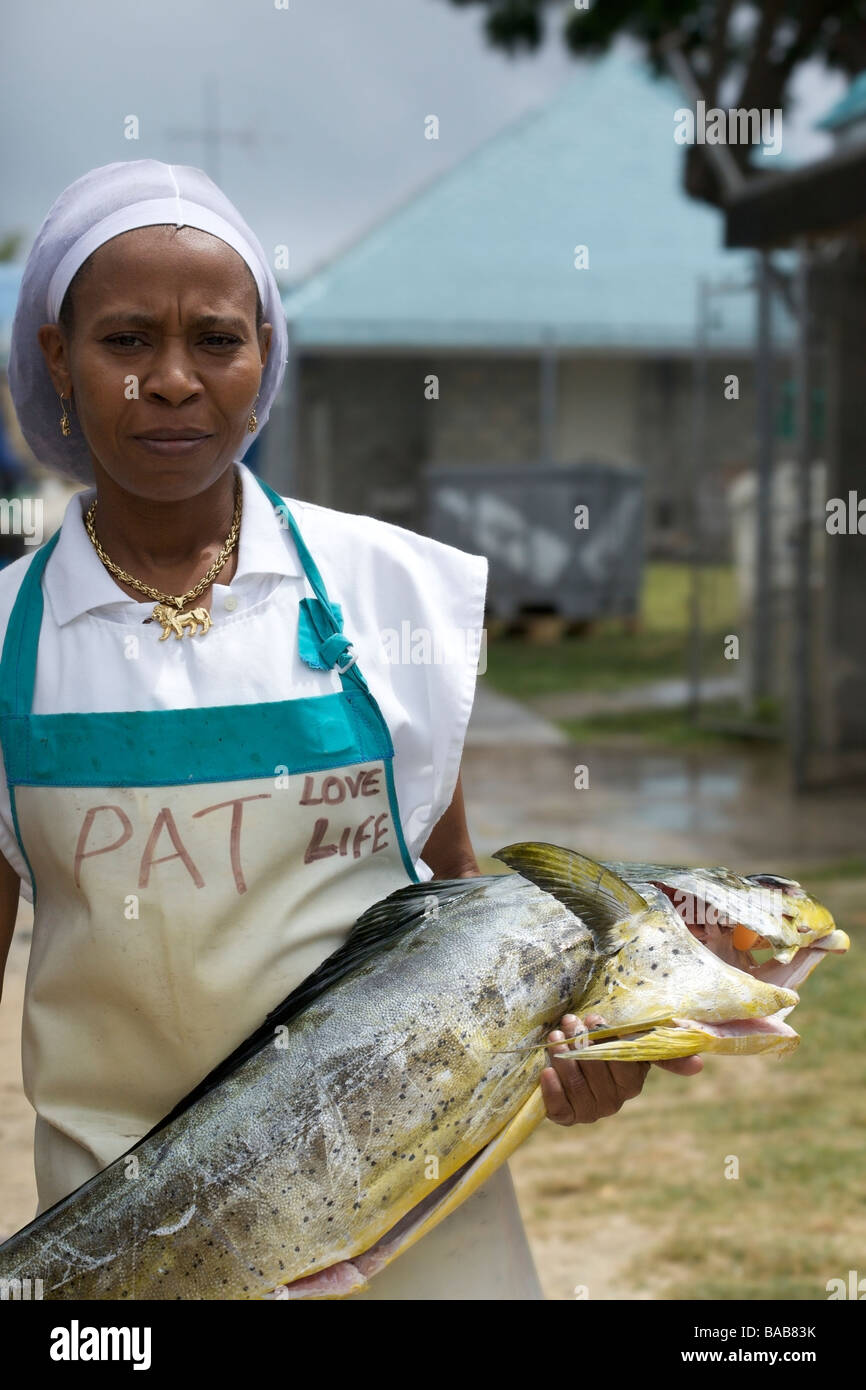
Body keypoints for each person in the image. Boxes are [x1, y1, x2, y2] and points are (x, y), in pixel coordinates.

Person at [0, 159, 700, 1300]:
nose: (173, 379)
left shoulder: (392, 595)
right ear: (56, 362)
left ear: (262, 358)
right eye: (126, 341)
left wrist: (575, 1051)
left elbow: (466, 916)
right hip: (137, 1251)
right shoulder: (5, 640)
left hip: (416, 1221)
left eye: (215, 340)